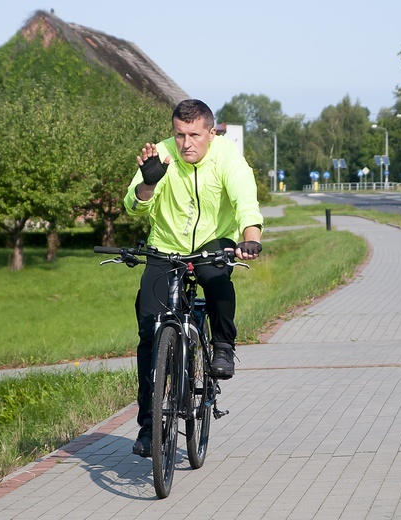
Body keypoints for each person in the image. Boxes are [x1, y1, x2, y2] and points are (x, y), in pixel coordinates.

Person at [123, 99, 264, 457]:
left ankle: (222, 346)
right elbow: (133, 204)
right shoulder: (162, 155)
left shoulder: (228, 158)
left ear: (211, 133)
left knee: (215, 278)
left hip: (212, 242)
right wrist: (147, 185)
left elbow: (246, 201)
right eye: (180, 134)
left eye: (195, 135)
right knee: (148, 331)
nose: (186, 143)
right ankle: (149, 428)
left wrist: (251, 240)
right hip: (165, 246)